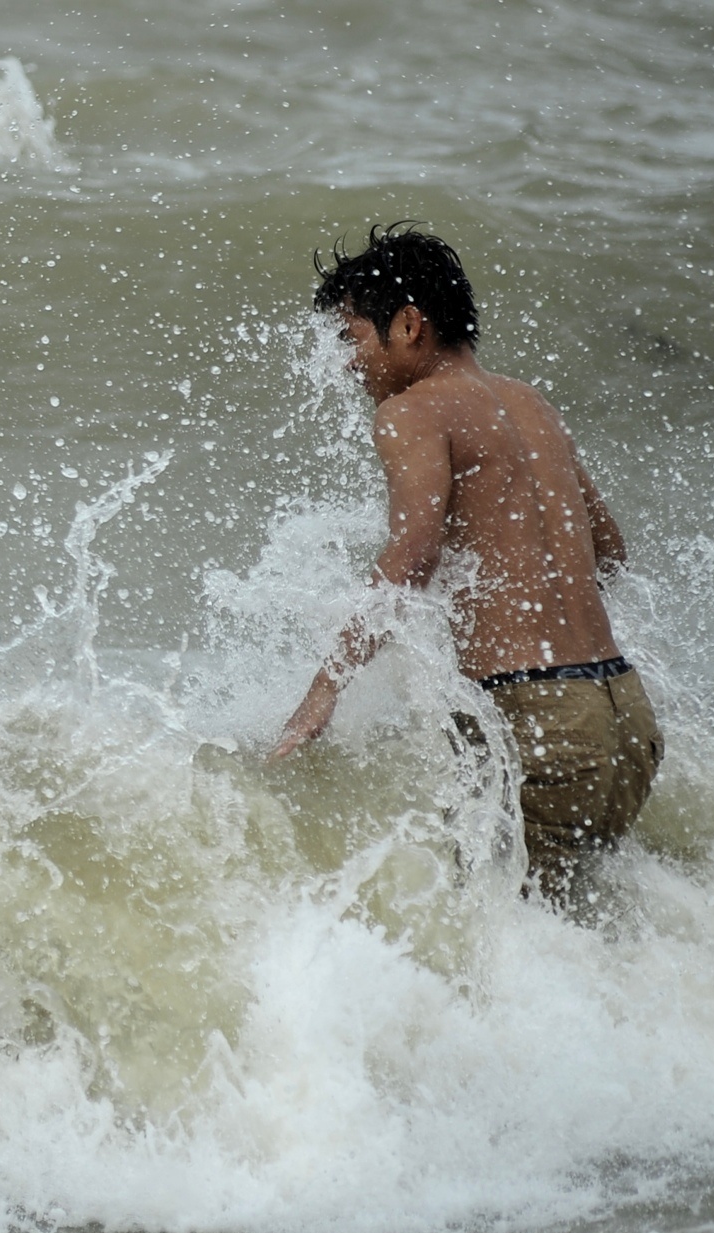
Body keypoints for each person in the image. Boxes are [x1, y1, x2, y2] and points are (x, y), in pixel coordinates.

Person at [270, 225, 660, 900]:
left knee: (499, 925)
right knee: (574, 926)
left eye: (351, 338)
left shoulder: (411, 411)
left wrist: (324, 691)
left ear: (409, 325)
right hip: (623, 712)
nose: (346, 364)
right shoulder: (531, 403)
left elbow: (413, 554)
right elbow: (611, 552)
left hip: (535, 715)